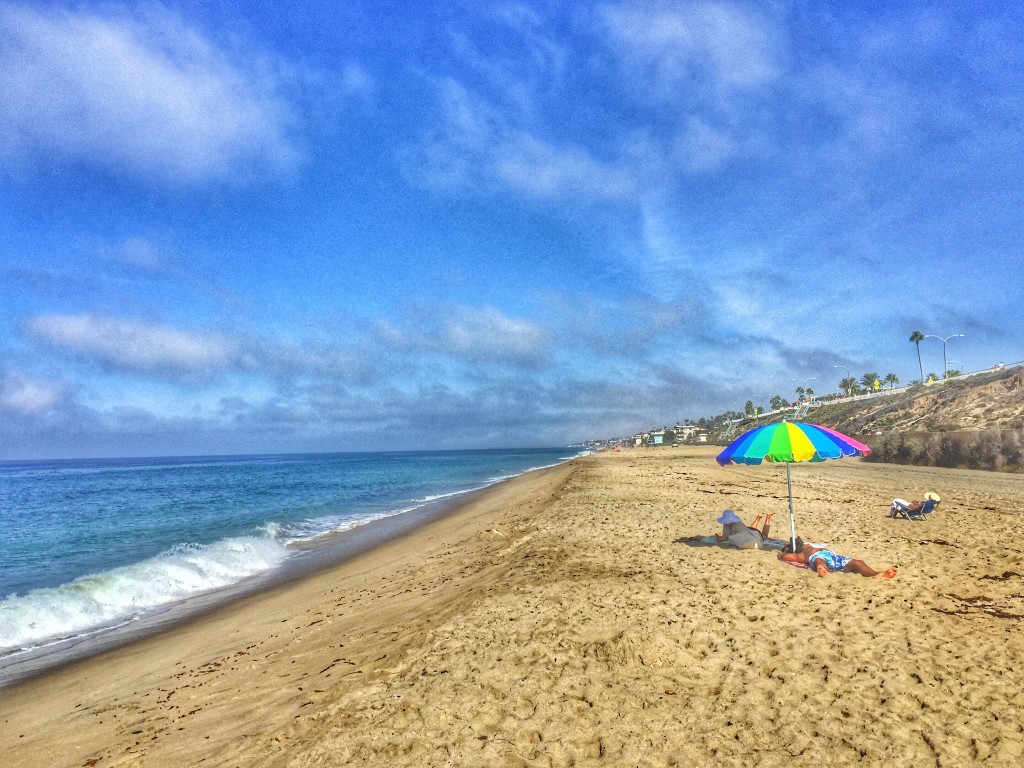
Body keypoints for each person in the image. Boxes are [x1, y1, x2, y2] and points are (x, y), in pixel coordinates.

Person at [777, 537, 897, 578]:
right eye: (802, 544)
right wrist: (781, 554)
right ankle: (822, 569)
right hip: (817, 557)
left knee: (858, 563)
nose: (805, 543)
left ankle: (877, 574)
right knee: (819, 561)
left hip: (834, 557)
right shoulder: (801, 554)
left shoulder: (813, 545)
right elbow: (785, 556)